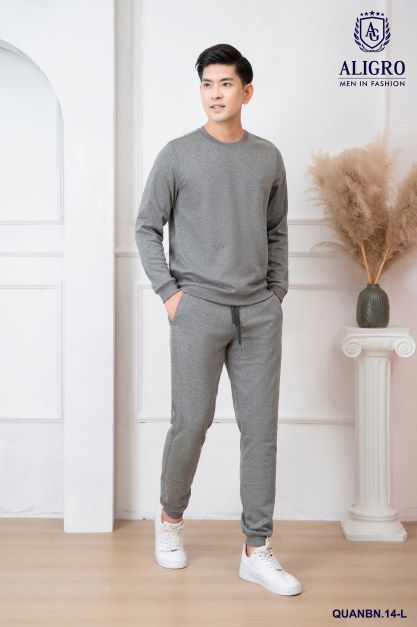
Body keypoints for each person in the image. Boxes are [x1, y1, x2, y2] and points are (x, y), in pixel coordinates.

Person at [135, 43, 302, 596]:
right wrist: (170, 295)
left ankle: (257, 548)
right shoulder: (177, 154)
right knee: (192, 422)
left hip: (259, 313)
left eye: (226, 83)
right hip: (197, 310)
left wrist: (277, 291)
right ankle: (169, 519)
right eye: (207, 84)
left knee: (261, 431)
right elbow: (146, 226)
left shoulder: (268, 157)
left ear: (246, 92)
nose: (215, 93)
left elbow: (277, 230)